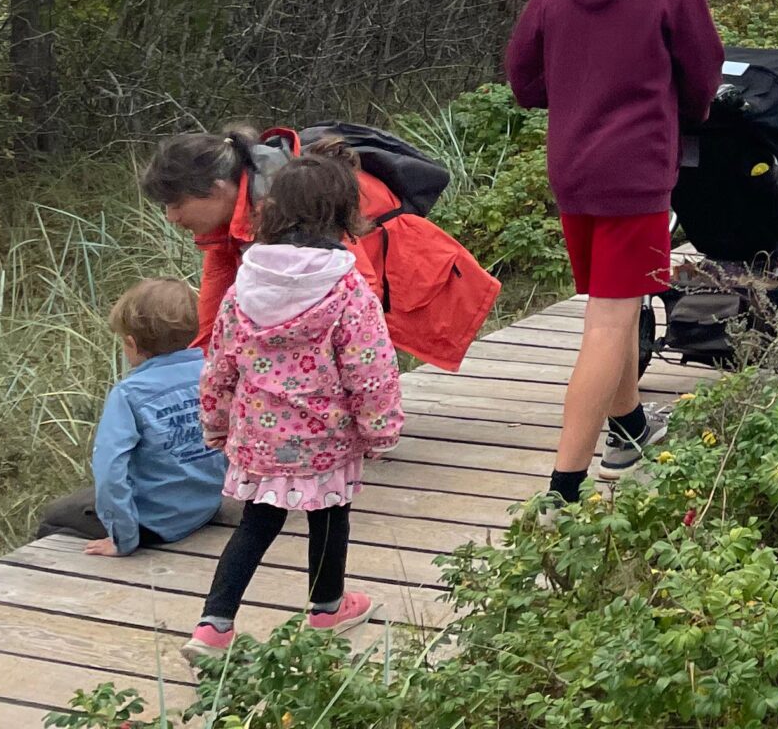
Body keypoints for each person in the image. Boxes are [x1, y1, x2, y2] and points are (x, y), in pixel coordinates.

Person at [505, 0, 724, 504]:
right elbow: (702, 83)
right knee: (607, 321)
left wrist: (577, 97)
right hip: (635, 176)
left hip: (572, 169)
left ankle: (629, 429)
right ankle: (565, 488)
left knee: (616, 306)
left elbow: (523, 80)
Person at [188, 155, 402, 655]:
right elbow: (370, 368)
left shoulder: (244, 285)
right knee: (330, 517)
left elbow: (220, 363)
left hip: (259, 437)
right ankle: (327, 608)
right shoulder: (348, 290)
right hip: (326, 440)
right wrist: (380, 431)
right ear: (345, 213)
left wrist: (215, 423)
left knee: (256, 524)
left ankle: (213, 624)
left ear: (271, 211)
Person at [141, 130, 496, 373]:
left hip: (403, 273)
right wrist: (200, 375)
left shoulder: (294, 199)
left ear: (217, 189)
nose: (171, 217)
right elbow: (213, 314)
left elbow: (360, 299)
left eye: (176, 204)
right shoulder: (232, 212)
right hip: (367, 282)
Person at [35, 278, 227, 557]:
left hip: (153, 523)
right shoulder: (210, 374)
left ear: (131, 343)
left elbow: (111, 471)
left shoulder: (128, 394)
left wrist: (123, 539)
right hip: (205, 508)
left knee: (55, 515)